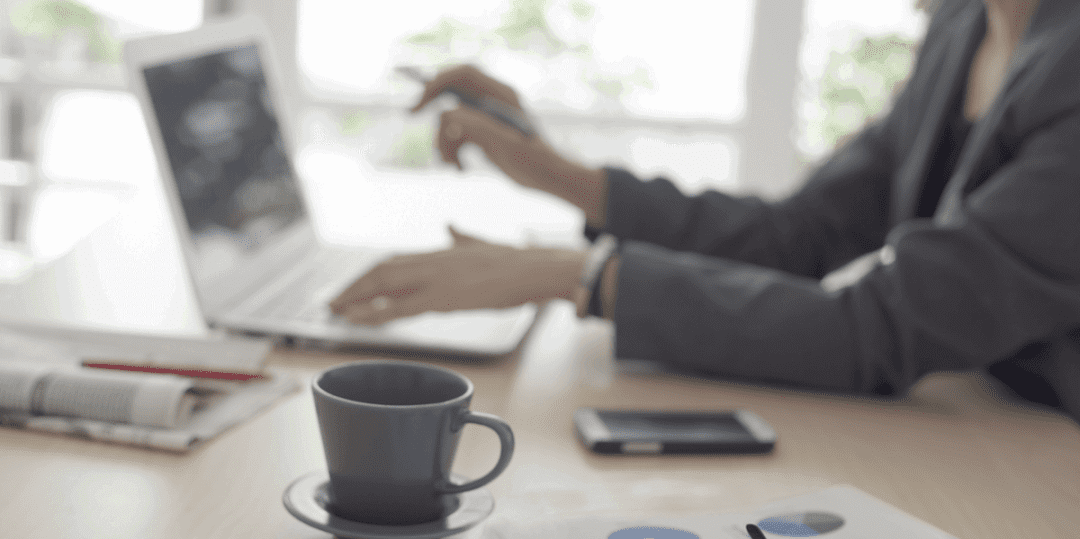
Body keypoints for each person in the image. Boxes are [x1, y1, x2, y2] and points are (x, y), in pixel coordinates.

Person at [331, 0, 1080, 422]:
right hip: (991, 422)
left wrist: (579, 276)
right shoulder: (964, 29)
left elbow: (877, 328)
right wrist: (561, 175)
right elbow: (801, 233)